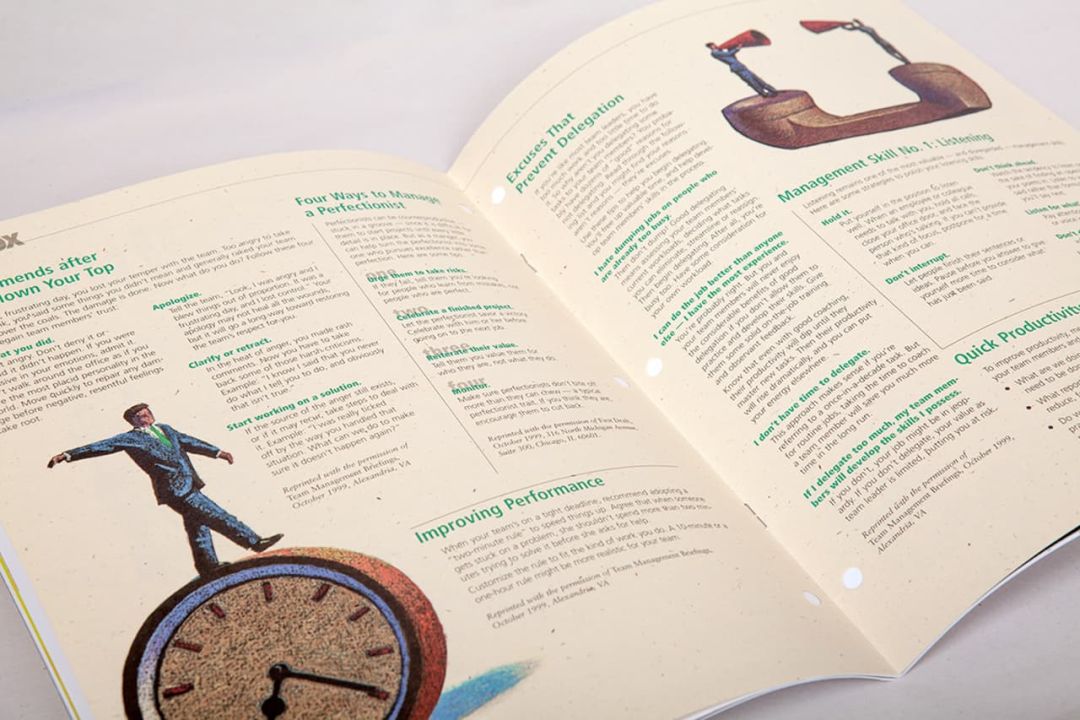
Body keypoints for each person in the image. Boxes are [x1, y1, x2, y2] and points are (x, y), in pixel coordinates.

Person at [48, 403, 283, 575]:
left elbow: (189, 441)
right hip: (174, 490)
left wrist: (217, 452)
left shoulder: (166, 429)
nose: (146, 416)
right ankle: (255, 542)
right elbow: (101, 446)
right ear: (133, 421)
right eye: (140, 415)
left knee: (197, 525)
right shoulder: (131, 438)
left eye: (147, 412)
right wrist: (68, 455)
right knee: (216, 515)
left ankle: (208, 566)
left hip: (190, 482)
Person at [706, 41, 777, 98]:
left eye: (714, 44)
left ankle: (771, 89)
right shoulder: (714, 53)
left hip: (739, 66)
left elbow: (731, 55)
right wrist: (737, 48)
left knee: (755, 78)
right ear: (710, 47)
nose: (715, 45)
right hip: (736, 67)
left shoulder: (720, 51)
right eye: (712, 45)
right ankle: (763, 93)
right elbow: (729, 54)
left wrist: (732, 48)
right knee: (751, 80)